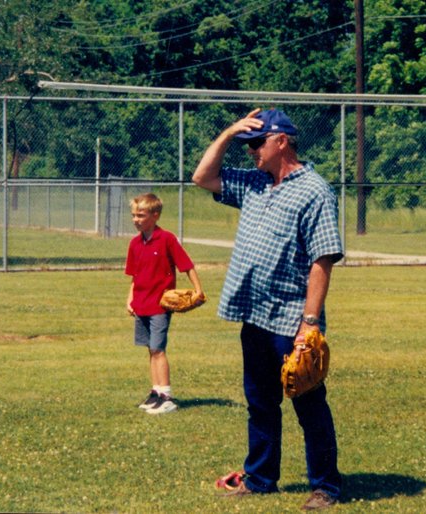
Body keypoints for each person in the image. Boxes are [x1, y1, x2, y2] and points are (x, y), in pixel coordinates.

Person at [192, 109, 343, 510]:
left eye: (257, 143)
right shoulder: (256, 184)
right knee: (260, 401)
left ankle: (326, 486)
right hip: (255, 315)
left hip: (292, 318)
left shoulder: (315, 190)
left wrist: (309, 323)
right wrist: (228, 133)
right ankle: (260, 479)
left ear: (282, 141)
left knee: (308, 402)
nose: (251, 152)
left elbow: (322, 259)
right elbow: (202, 177)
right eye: (248, 145)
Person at [125, 193, 204, 415]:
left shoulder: (167, 239)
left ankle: (167, 396)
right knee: (151, 349)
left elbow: (186, 265)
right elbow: (134, 275)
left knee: (159, 349)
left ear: (155, 215)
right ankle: (156, 391)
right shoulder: (134, 243)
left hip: (160, 305)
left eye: (141, 215)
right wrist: (129, 298)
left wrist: (198, 290)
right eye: (133, 215)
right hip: (141, 303)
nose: (136, 220)